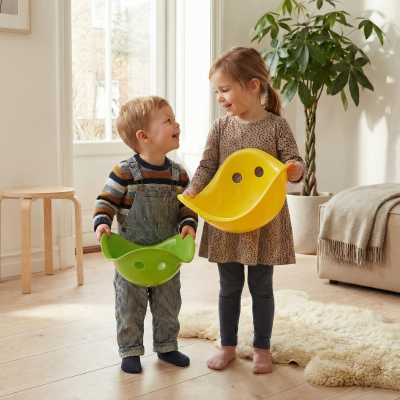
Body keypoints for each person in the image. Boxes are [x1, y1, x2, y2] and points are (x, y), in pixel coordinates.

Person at [183, 47, 306, 374]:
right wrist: (194, 188)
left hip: (264, 220)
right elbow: (208, 165)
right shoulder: (220, 128)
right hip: (228, 219)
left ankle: (262, 348)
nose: (220, 98)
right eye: (216, 91)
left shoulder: (277, 126)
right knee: (229, 288)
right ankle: (228, 346)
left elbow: (293, 161)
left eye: (225, 90)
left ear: (253, 86)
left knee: (262, 288)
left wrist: (295, 170)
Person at [94, 96, 197, 374]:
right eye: (168, 121)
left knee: (169, 304)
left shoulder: (179, 175)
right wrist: (102, 222)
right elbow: (105, 201)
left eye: (174, 119)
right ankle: (130, 350)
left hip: (166, 257)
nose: (177, 124)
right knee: (129, 305)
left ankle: (167, 346)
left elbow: (187, 207)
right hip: (131, 257)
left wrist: (188, 224)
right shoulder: (124, 172)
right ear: (144, 136)